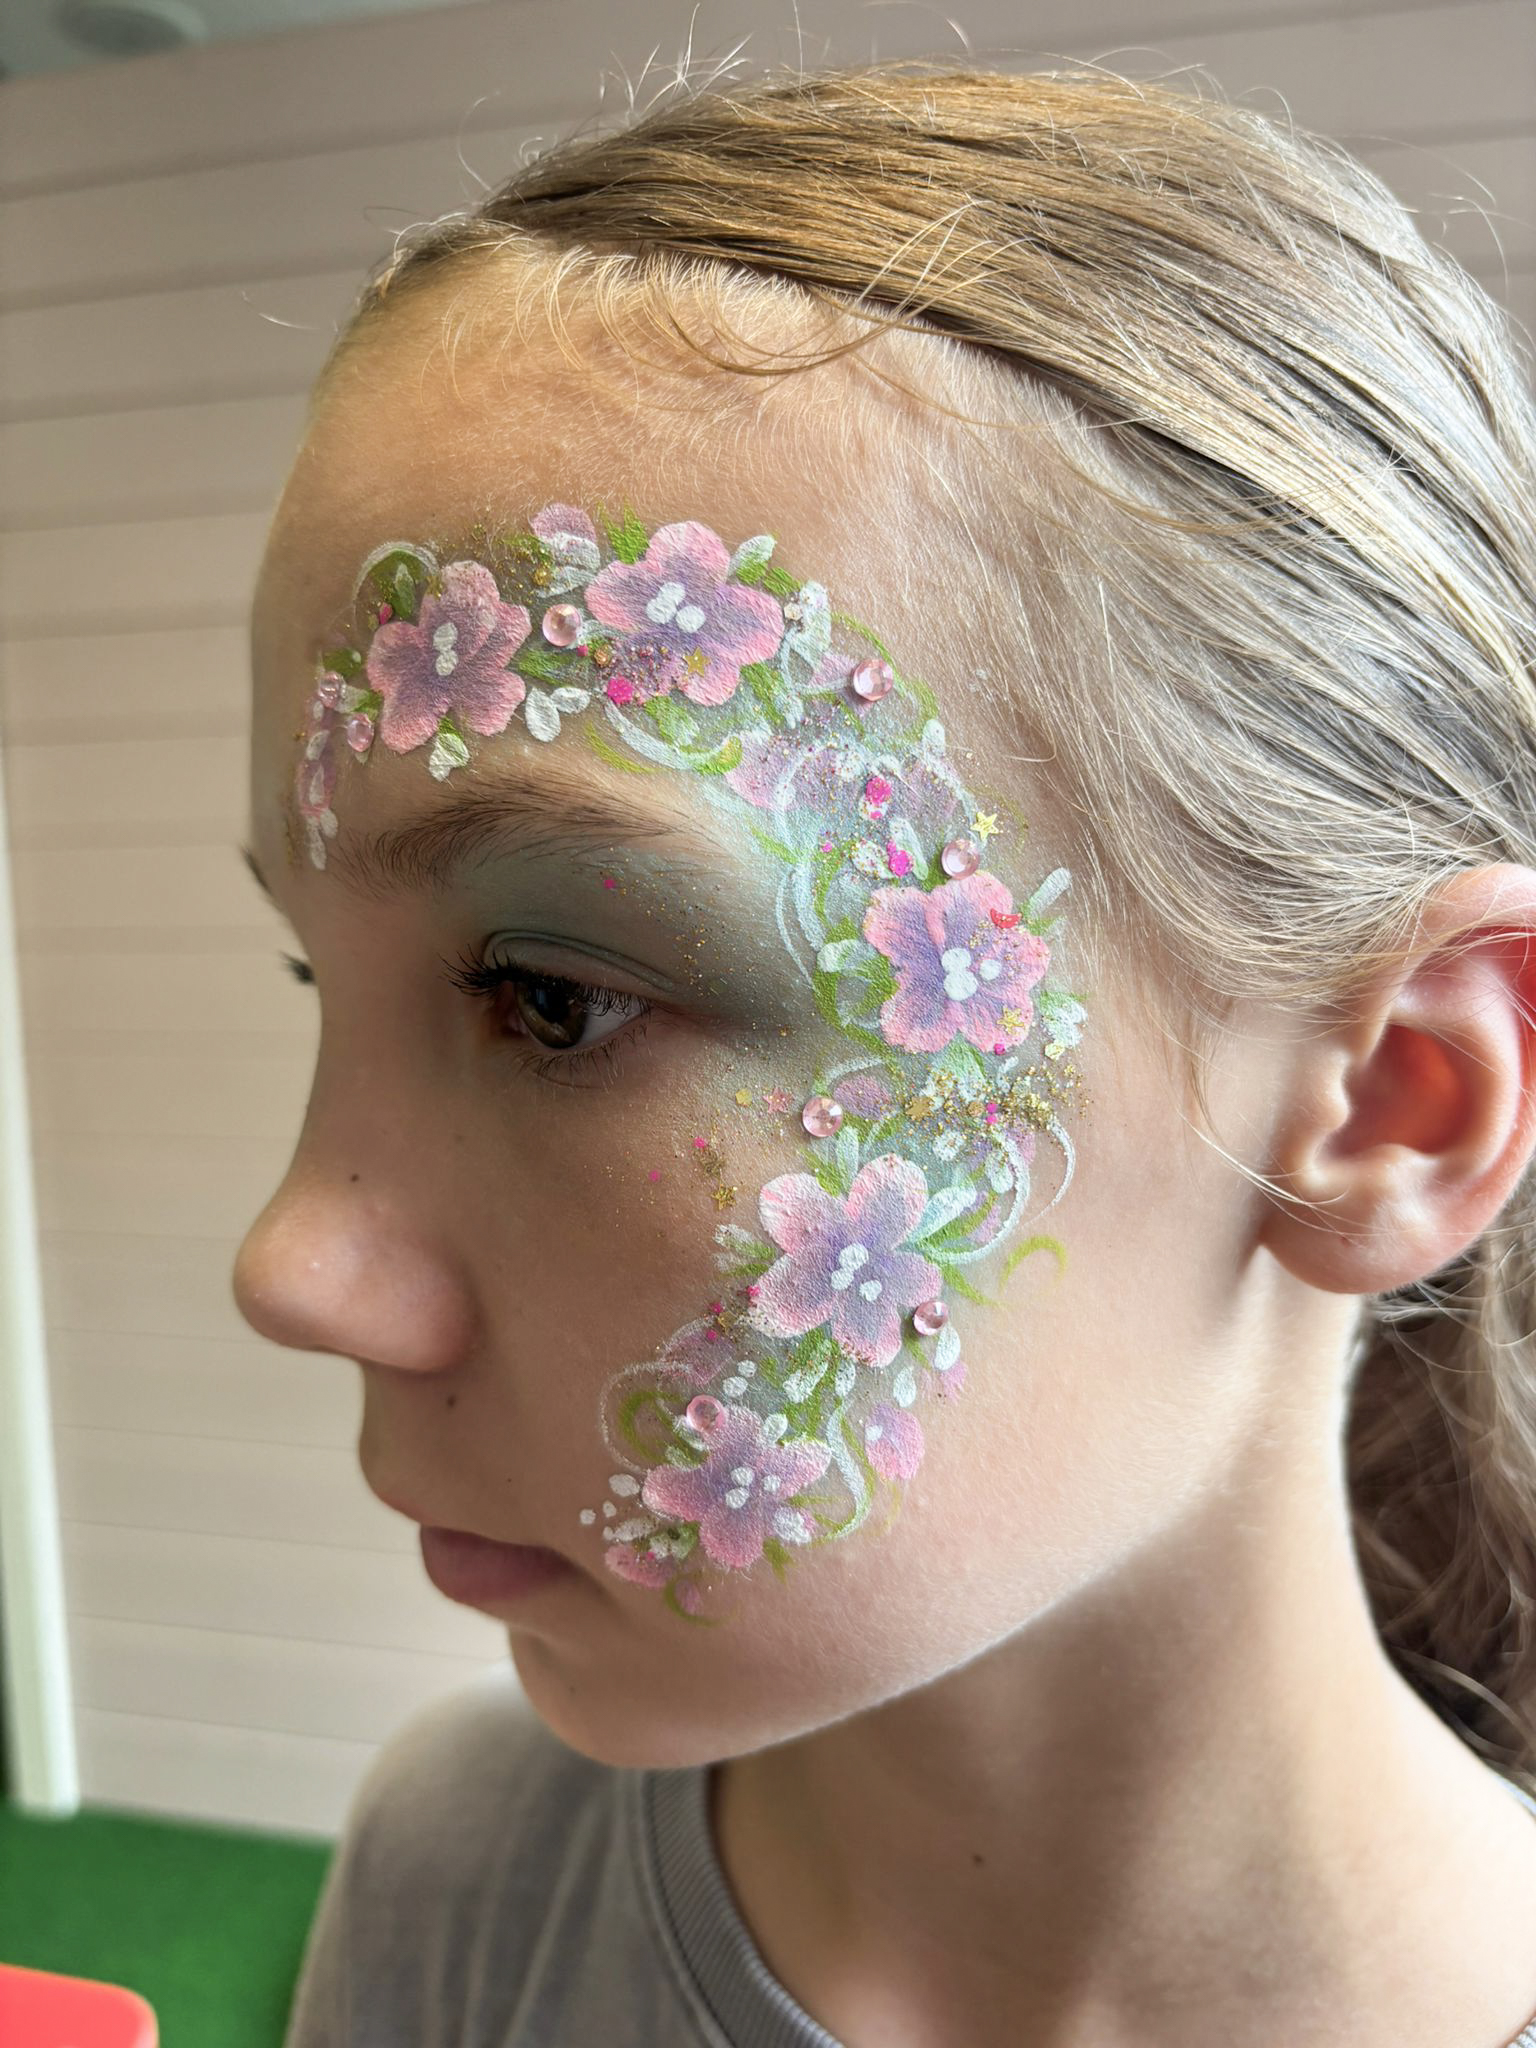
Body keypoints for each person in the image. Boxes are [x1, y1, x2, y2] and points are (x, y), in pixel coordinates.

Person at [230, 54, 1536, 2048]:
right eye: (319, 978)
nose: (296, 1264)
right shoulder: (461, 1874)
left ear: (1393, 1104)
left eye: (554, 996)